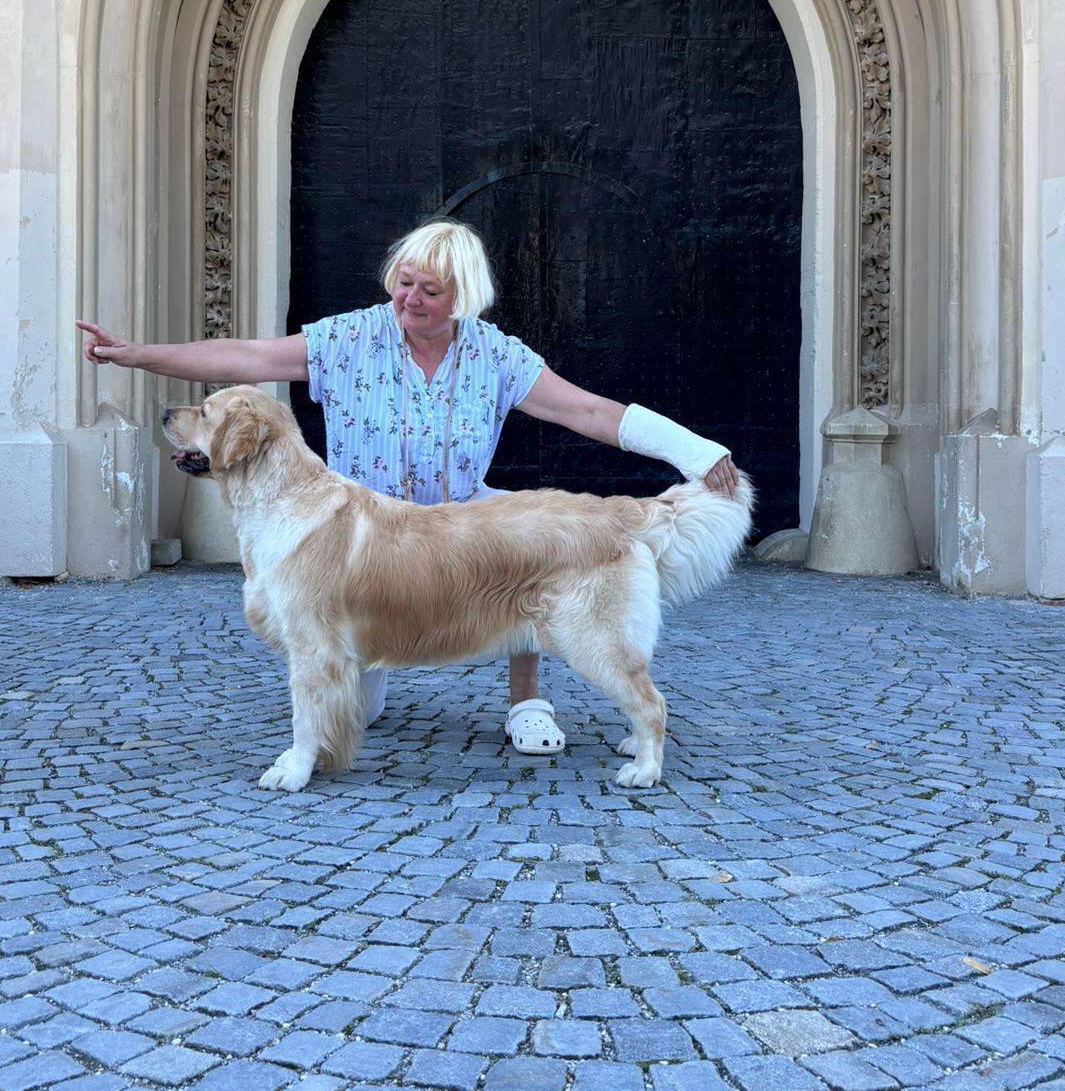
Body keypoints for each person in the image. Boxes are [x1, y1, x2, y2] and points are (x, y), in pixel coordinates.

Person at [78, 219, 741, 755]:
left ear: (463, 300)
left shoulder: (496, 354)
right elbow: (248, 357)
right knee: (356, 702)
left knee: (532, 541)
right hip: (366, 538)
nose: (410, 299)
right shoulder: (349, 338)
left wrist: (694, 450)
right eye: (404, 282)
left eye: (430, 290)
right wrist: (139, 355)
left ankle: (526, 701)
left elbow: (589, 412)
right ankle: (360, 682)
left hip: (462, 522)